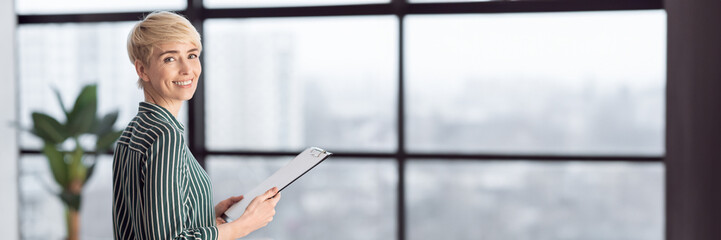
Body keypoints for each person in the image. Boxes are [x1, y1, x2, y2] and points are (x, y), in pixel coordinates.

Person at [112, 11, 280, 240]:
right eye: (170, 59)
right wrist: (245, 225)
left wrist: (206, 216)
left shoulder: (135, 130)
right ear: (142, 70)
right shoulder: (165, 136)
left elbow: (146, 224)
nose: (187, 69)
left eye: (192, 55)